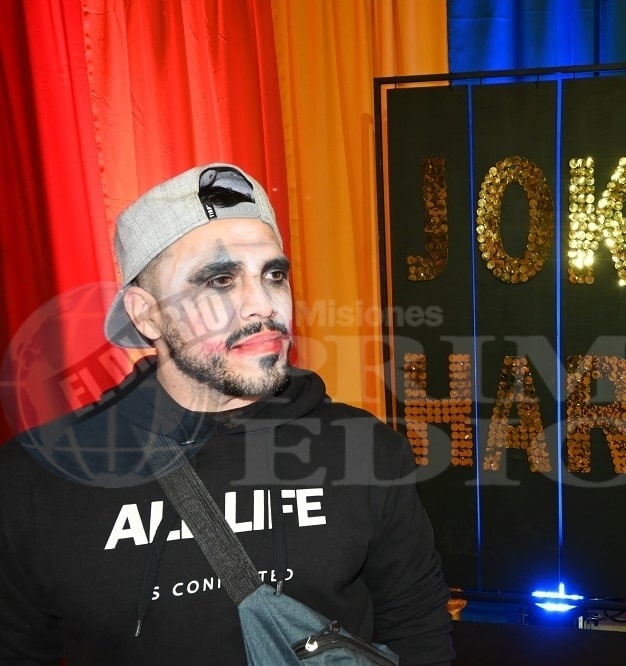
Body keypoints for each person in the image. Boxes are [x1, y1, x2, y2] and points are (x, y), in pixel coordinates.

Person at [0, 163, 454, 664]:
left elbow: (419, 638)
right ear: (146, 313)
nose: (264, 306)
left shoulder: (367, 450)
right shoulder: (36, 478)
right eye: (220, 279)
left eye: (273, 275)